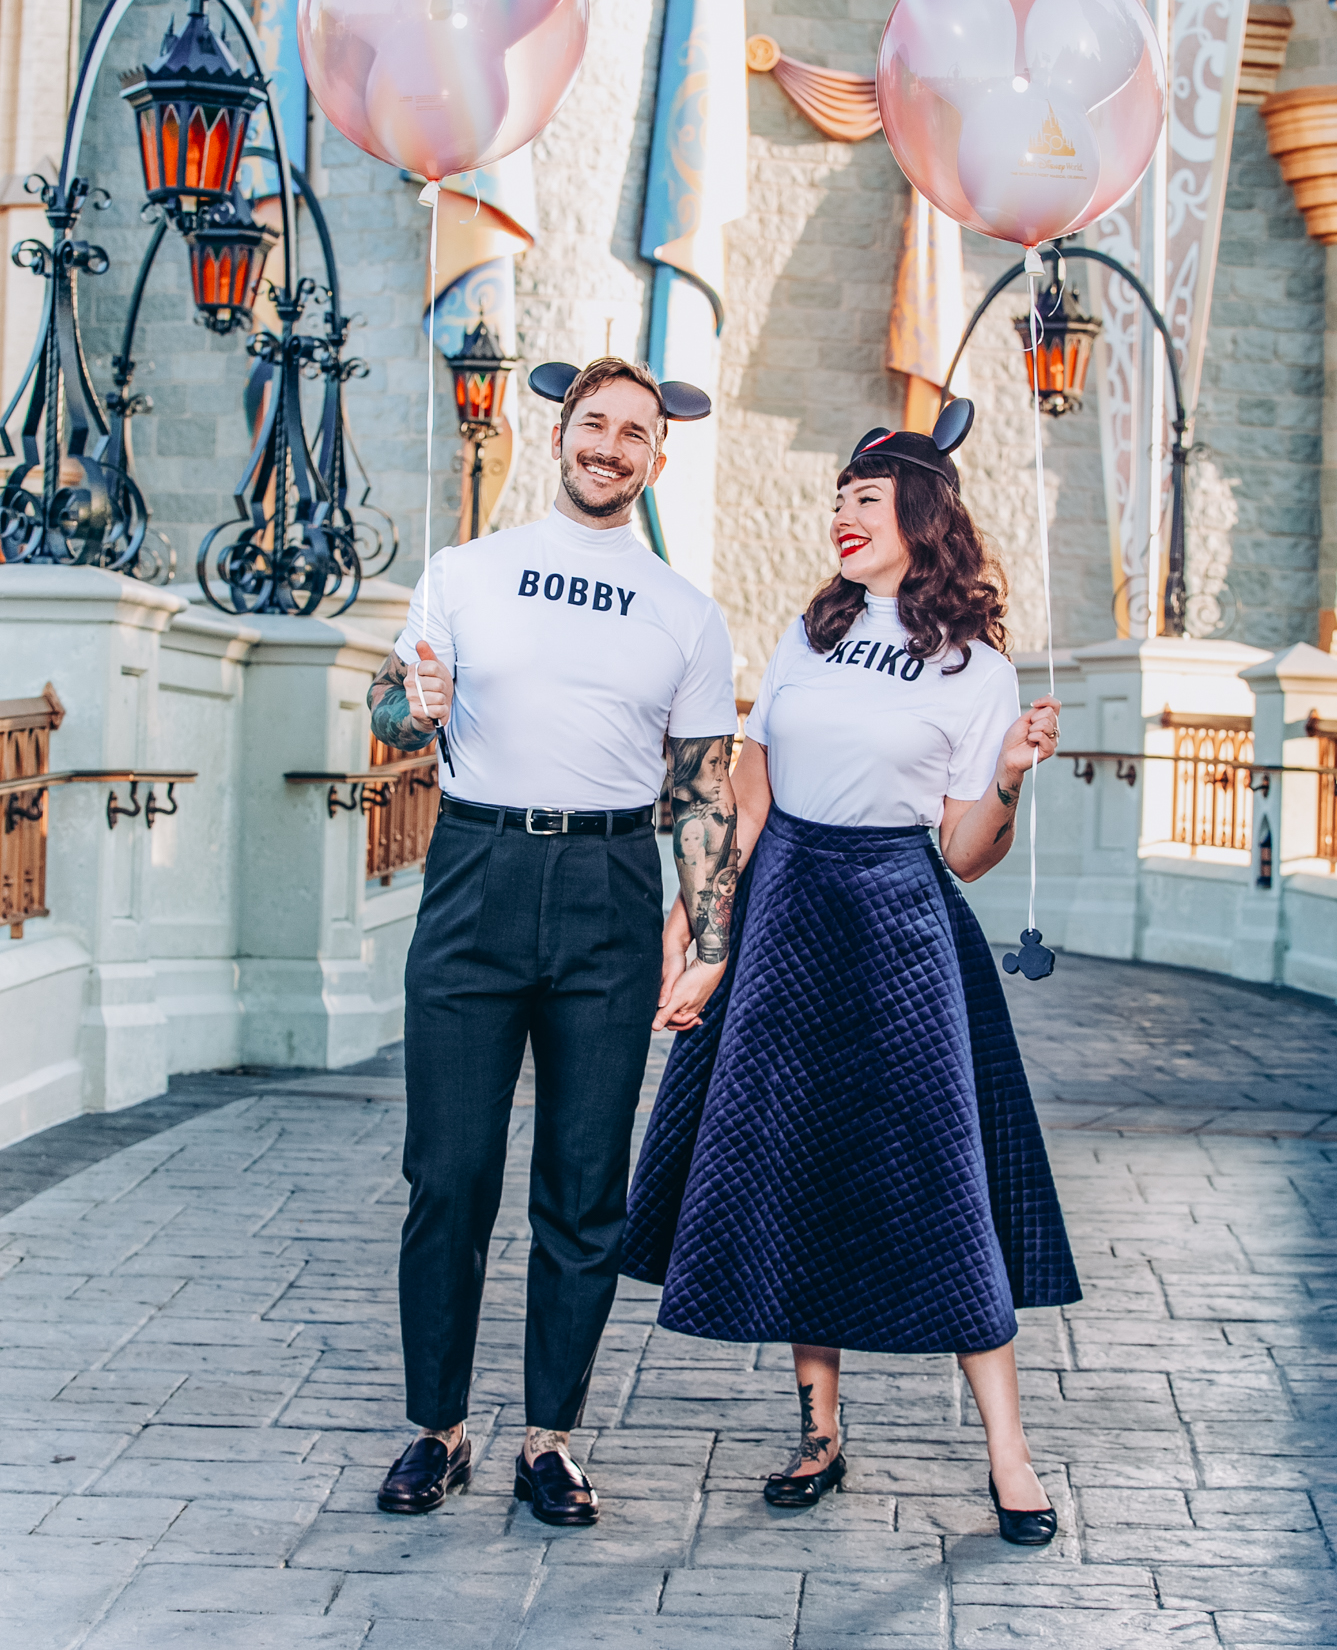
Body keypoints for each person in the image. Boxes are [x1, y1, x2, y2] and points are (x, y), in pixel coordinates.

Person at [622, 420, 1081, 1547]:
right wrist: (700, 919)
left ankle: (1008, 1455)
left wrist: (1010, 778)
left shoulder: (975, 665)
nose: (843, 512)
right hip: (785, 910)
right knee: (792, 1163)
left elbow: (965, 849)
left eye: (868, 498)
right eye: (839, 494)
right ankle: (817, 1429)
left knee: (943, 1176)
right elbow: (750, 791)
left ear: (922, 516)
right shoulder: (809, 630)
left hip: (898, 922)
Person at [369, 357, 739, 1527]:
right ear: (560, 436)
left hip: (609, 888)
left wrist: (710, 939)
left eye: (634, 432)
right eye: (594, 425)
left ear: (655, 457)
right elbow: (389, 712)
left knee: (583, 1190)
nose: (611, 446)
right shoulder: (461, 574)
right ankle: (438, 1429)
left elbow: (704, 793)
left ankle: (549, 1438)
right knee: (449, 1175)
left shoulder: (686, 611)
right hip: (476, 872)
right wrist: (406, 703)